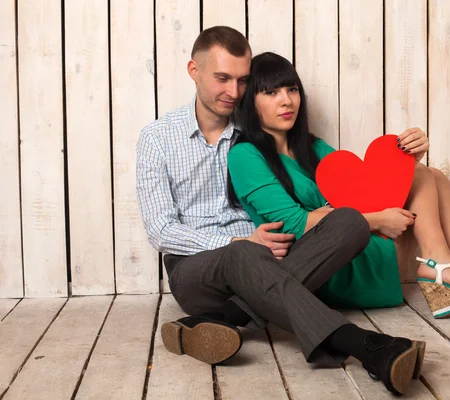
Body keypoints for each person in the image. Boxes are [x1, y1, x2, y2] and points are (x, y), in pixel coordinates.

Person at [136, 26, 426, 395]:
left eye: (242, 81)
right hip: (197, 266)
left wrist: (403, 156)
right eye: (222, 78)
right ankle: (368, 347)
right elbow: (160, 230)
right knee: (242, 252)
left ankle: (228, 317)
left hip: (271, 259)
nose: (233, 92)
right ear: (194, 71)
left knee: (350, 222)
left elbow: (327, 189)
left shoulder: (254, 133)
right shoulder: (158, 138)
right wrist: (238, 239)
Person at [227, 52, 450, 320]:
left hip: (354, 241)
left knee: (432, 175)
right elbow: (294, 223)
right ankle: (439, 266)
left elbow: (367, 189)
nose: (286, 100)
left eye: (291, 89)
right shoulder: (245, 155)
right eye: (271, 92)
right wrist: (377, 219)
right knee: (421, 177)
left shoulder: (312, 147)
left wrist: (408, 157)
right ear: (250, 102)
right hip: (325, 264)